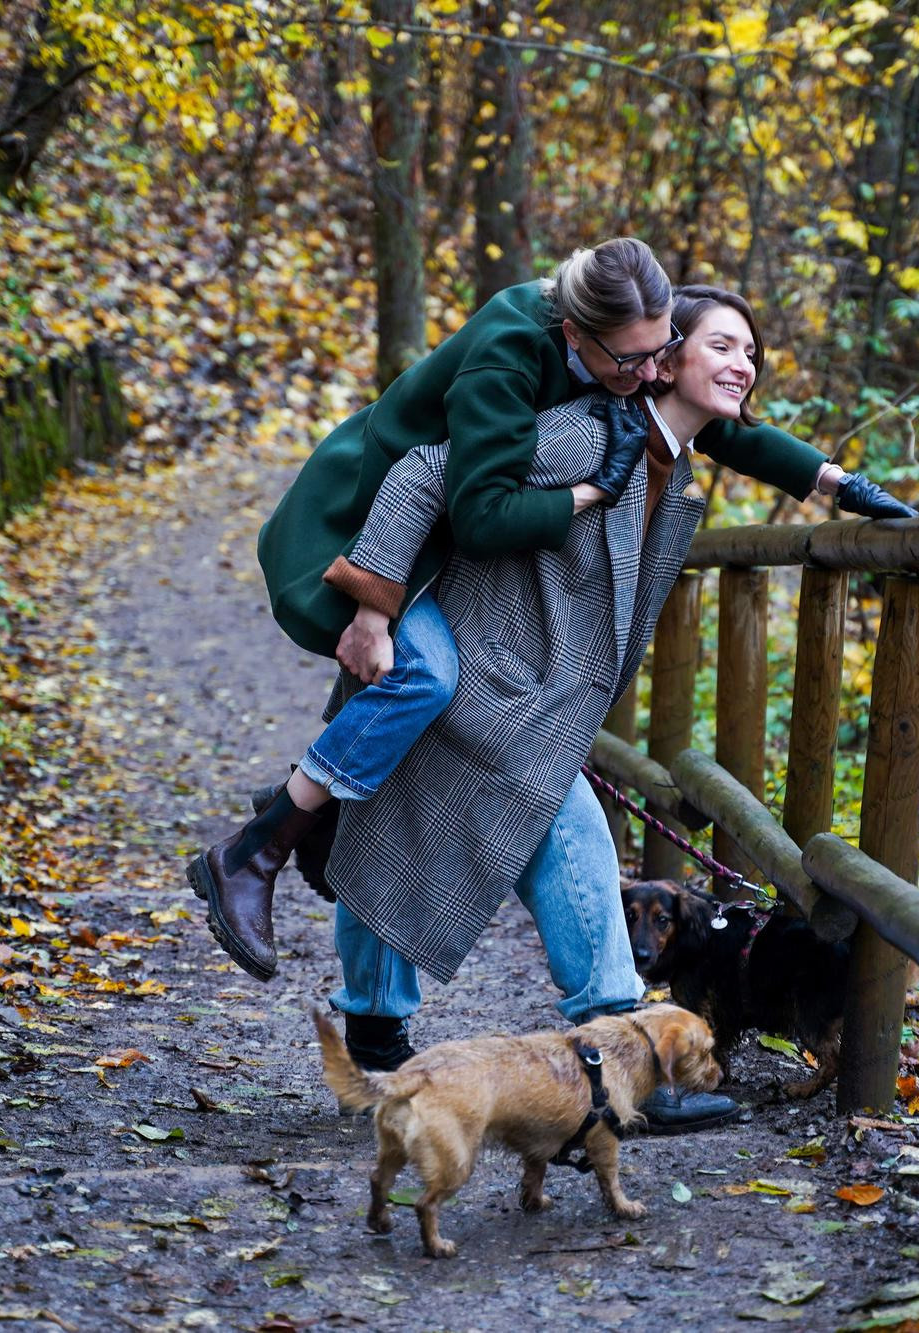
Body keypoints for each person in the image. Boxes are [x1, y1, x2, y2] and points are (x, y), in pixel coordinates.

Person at [191, 241, 916, 986]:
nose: (647, 371)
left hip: (454, 563)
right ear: (580, 335)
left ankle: (338, 862)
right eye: (647, 357)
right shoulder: (541, 383)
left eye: (661, 352)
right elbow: (438, 487)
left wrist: (840, 482)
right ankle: (263, 844)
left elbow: (720, 423)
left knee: (482, 785)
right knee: (428, 680)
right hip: (362, 525)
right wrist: (378, 610)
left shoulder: (635, 379)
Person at [317, 288, 801, 1136]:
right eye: (722, 345)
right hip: (470, 666)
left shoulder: (672, 473)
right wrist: (372, 608)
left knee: (435, 825)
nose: (743, 364)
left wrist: (833, 478)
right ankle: (626, 1048)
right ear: (665, 355)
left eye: (751, 353)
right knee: (539, 829)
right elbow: (428, 471)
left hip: (526, 694)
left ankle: (383, 1028)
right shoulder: (588, 434)